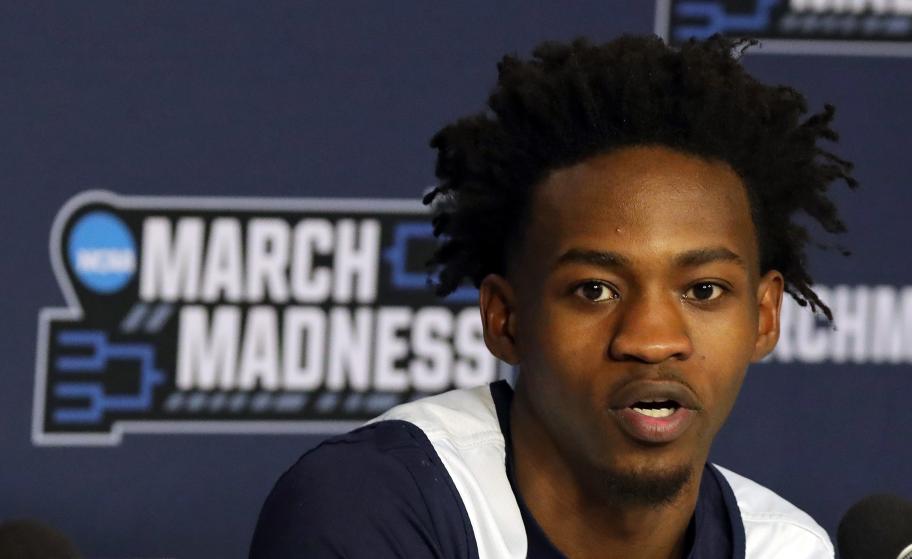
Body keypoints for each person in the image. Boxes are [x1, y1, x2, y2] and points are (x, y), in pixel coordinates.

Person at [250, 34, 856, 559]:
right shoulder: (377, 508)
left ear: (764, 317)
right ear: (506, 320)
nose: (652, 340)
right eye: (595, 290)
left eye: (704, 290)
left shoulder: (786, 546)